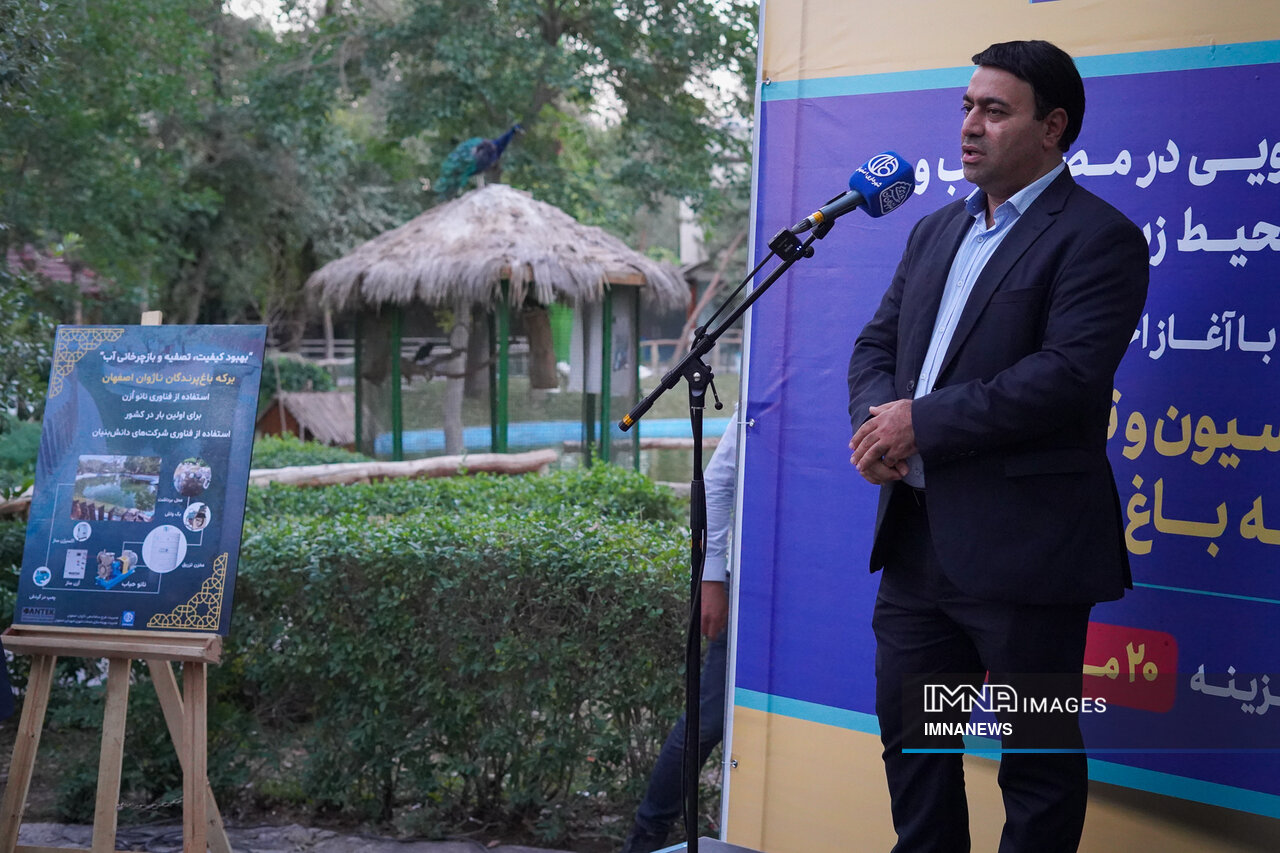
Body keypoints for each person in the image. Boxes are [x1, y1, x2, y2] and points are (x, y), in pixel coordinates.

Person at [846, 41, 1148, 853]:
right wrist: (877, 424)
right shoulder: (935, 230)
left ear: (1053, 127)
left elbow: (1066, 377)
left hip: (1030, 558)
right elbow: (876, 345)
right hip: (917, 548)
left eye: (994, 110)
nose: (969, 126)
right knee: (916, 748)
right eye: (966, 107)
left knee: (1037, 766)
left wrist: (921, 423)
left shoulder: (1098, 238)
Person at [621, 409, 739, 853]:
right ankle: (646, 836)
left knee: (925, 733)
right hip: (763, 595)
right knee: (706, 721)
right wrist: (712, 578)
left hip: (903, 590)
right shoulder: (773, 390)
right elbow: (719, 482)